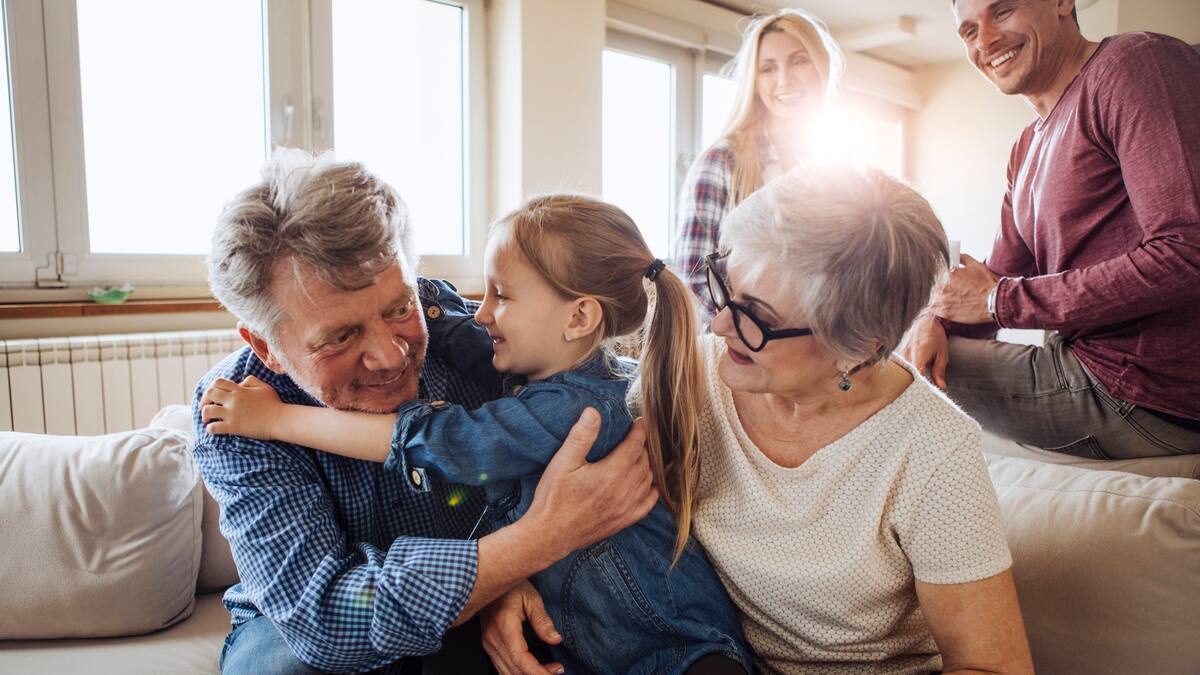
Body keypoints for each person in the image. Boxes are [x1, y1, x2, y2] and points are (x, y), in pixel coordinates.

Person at [485, 165, 1035, 674]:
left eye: (757, 319)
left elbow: (992, 667)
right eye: (727, 286)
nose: (721, 324)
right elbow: (564, 488)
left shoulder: (933, 454)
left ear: (857, 346)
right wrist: (508, 578)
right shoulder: (694, 372)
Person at [201, 194, 752, 674]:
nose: (391, 355)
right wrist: (528, 547)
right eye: (341, 336)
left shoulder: (466, 339)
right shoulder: (236, 412)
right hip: (311, 624)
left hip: (549, 604)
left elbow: (577, 376)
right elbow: (325, 621)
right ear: (266, 345)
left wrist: (502, 577)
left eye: (399, 307)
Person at [904, 0, 1200, 459]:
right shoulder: (1026, 147)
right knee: (905, 345)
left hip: (1150, 396)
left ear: (1063, 2)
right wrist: (935, 319)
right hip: (1090, 372)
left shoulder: (1134, 65)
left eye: (1002, 11)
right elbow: (994, 273)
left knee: (887, 371)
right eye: (967, 31)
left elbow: (1188, 252)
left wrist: (996, 301)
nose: (985, 41)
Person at [674, 8, 844, 318]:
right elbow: (695, 278)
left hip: (818, 344)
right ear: (754, 80)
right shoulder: (723, 161)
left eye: (799, 61)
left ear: (822, 67)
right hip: (743, 346)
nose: (784, 80)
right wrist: (760, 332)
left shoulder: (838, 170)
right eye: (768, 68)